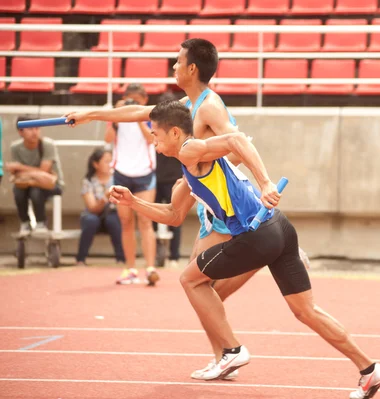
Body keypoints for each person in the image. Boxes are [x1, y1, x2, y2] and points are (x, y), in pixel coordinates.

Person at [108, 100, 380, 399]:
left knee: (191, 279)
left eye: (155, 134)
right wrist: (133, 202)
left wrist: (266, 183)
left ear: (174, 133)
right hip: (279, 228)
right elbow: (173, 216)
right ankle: (369, 369)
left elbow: (236, 139)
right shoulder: (189, 165)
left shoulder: (191, 150)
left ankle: (232, 350)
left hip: (256, 234)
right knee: (306, 311)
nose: (152, 139)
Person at [64, 38, 309, 379]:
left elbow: (238, 146)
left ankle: (230, 348)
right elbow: (136, 112)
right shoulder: (186, 103)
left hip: (223, 204)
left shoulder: (210, 107)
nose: (173, 68)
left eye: (178, 62)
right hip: (205, 202)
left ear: (192, 68)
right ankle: (225, 355)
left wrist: (200, 172)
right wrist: (90, 114)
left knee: (197, 283)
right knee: (202, 288)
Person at [104, 83, 159, 286]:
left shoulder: (152, 117)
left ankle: (151, 268)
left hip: (144, 174)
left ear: (144, 101)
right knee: (126, 222)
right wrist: (117, 116)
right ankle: (130, 268)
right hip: (121, 173)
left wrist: (136, 117)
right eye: (130, 100)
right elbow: (108, 138)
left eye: (137, 101)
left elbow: (151, 140)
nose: (133, 104)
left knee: (145, 221)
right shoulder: (117, 117)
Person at [7, 115, 64, 235]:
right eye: (30, 129)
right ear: (20, 131)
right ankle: (25, 222)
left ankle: (41, 222)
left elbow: (43, 172)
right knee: (18, 191)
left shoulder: (47, 145)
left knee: (35, 190)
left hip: (52, 184)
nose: (35, 132)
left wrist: (21, 167)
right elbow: (17, 174)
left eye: (37, 128)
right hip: (27, 183)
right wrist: (31, 172)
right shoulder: (15, 147)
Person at [76, 148, 125, 266]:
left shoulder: (117, 179)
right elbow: (92, 208)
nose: (110, 165)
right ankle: (80, 259)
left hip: (112, 214)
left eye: (111, 161)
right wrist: (105, 197)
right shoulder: (88, 181)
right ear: (95, 164)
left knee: (114, 220)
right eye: (106, 161)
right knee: (90, 220)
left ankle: (122, 259)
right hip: (94, 215)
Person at [154, 91, 183, 267]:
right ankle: (165, 253)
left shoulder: (178, 128)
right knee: (158, 216)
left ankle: (173, 255)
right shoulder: (156, 127)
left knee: (174, 215)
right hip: (158, 177)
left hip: (172, 177)